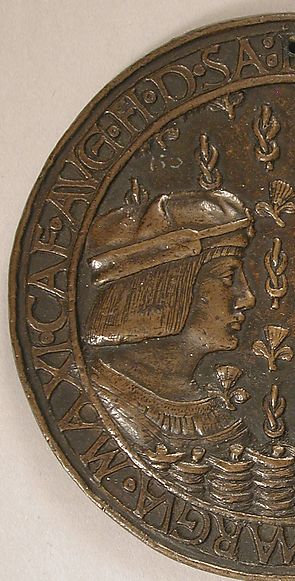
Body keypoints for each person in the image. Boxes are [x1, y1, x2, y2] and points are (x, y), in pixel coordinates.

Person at [82, 181, 256, 453]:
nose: (246, 298)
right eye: (228, 277)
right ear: (168, 289)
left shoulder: (214, 411)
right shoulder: (104, 402)